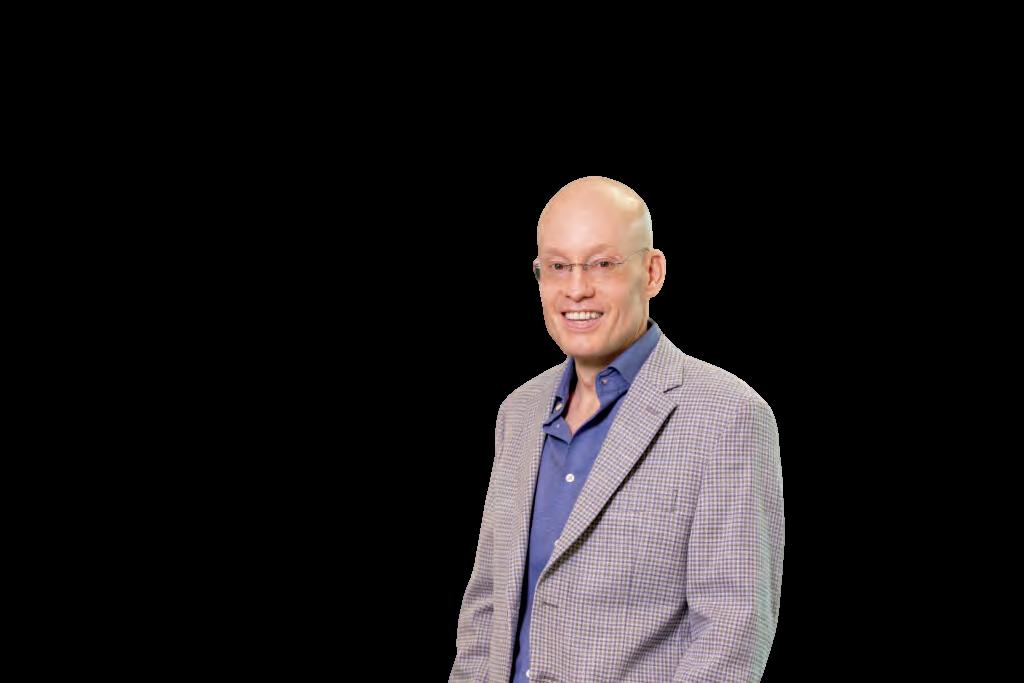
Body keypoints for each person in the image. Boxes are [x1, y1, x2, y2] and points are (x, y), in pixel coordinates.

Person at [449, 176, 784, 683]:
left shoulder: (728, 415)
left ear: (651, 273)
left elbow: (732, 634)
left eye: (602, 263)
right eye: (557, 266)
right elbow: (487, 607)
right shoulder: (518, 412)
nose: (576, 288)